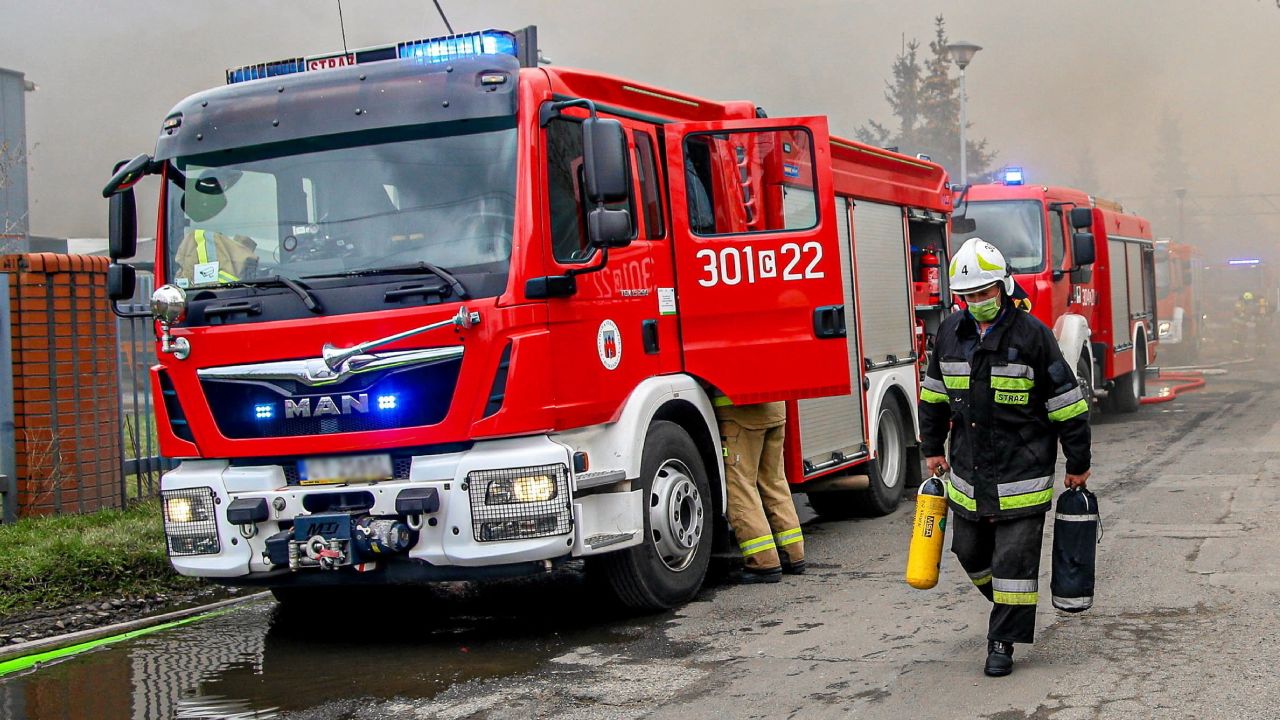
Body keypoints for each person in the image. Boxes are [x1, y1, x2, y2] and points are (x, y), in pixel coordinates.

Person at [918, 238, 1091, 677]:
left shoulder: (1032, 335)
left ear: (1003, 286)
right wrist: (932, 448)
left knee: (1014, 563)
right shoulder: (950, 335)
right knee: (968, 551)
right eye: (969, 295)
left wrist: (1077, 463)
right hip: (969, 473)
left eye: (984, 292)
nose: (977, 301)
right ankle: (1007, 607)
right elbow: (933, 398)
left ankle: (1002, 642)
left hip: (1022, 472)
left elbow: (1067, 406)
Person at [716, 400, 805, 583]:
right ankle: (793, 554)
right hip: (775, 409)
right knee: (774, 482)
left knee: (741, 487)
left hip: (741, 414)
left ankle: (763, 562)